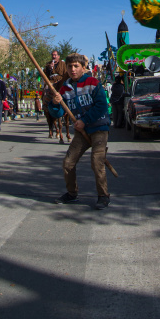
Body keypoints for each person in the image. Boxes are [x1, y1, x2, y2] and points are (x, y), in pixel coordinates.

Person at [50, 53, 111, 210]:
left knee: (97, 161)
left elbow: (101, 106)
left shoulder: (92, 82)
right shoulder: (65, 88)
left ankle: (103, 196)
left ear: (84, 68)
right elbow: (57, 113)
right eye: (70, 66)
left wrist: (84, 120)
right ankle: (72, 193)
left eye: (76, 66)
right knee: (68, 163)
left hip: (99, 128)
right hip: (81, 132)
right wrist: (55, 103)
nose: (72, 69)